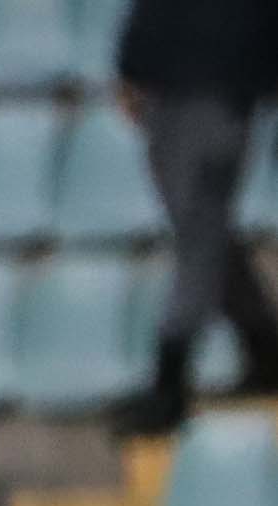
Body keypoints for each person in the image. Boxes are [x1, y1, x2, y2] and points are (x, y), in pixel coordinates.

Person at [110, 0, 278, 435]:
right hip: (180, 89)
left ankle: (170, 382)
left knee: (199, 233)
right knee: (202, 229)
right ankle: (263, 345)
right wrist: (132, 67)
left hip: (217, 93)